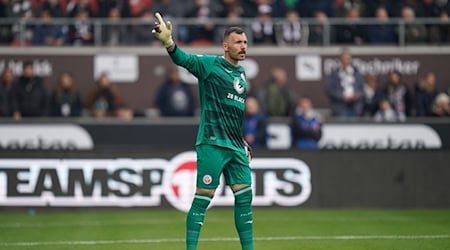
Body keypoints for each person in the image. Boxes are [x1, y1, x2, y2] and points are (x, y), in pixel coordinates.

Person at [152, 12, 254, 250]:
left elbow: (233, 114)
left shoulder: (241, 74)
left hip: (235, 146)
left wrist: (242, 140)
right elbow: (183, 59)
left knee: (245, 199)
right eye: (238, 42)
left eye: (246, 42)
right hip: (212, 143)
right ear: (225, 45)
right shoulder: (210, 65)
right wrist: (169, 43)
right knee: (203, 198)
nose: (243, 46)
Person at [325, 48, 364, 118]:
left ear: (350, 60)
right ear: (340, 60)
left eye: (347, 59)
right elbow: (329, 89)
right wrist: (341, 96)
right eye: (343, 59)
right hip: (340, 107)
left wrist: (356, 95)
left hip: (355, 107)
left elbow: (362, 89)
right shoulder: (334, 74)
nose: (345, 61)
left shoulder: (357, 73)